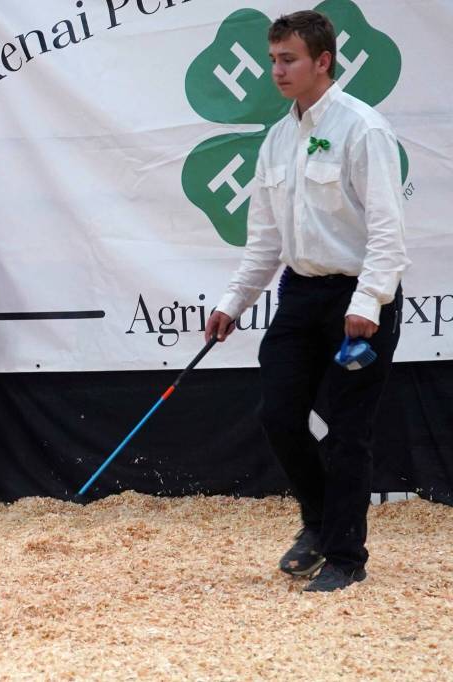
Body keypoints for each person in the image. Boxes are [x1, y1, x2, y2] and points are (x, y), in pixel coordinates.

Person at [204, 11, 409, 592]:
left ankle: (347, 556)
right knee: (278, 416)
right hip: (300, 292)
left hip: (358, 299)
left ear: (323, 61)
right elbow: (264, 240)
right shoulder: (276, 138)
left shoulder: (362, 129)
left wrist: (368, 301)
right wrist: (232, 302)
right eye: (272, 59)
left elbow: (389, 231)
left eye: (288, 58)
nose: (276, 70)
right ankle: (319, 524)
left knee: (348, 431)